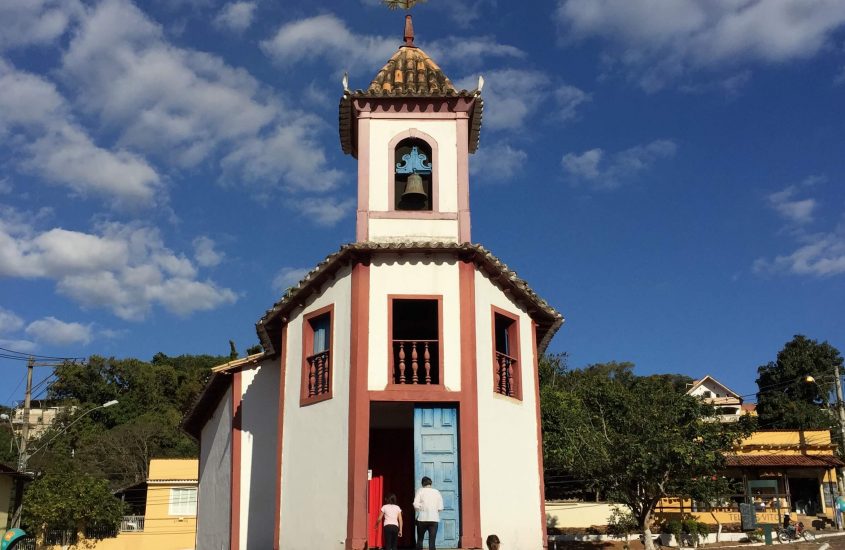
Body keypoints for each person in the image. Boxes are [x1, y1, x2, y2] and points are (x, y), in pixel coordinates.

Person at [413, 476, 444, 550]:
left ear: (422, 484)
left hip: (422, 519)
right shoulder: (437, 492)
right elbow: (440, 507)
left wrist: (421, 509)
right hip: (434, 519)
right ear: (431, 483)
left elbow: (415, 504)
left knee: (420, 540)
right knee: (432, 542)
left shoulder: (420, 491)